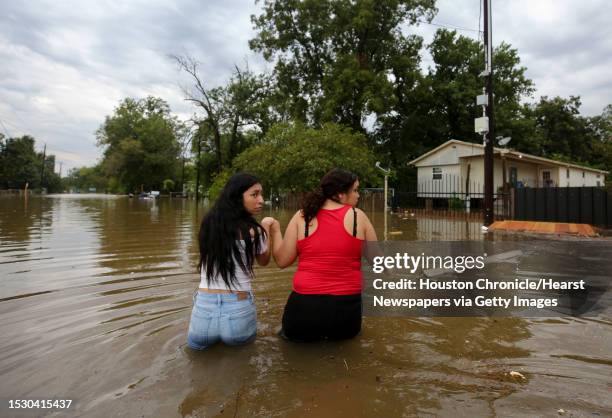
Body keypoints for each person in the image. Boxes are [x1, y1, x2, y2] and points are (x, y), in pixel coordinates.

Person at [268, 168, 378, 342]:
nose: (358, 196)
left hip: (304, 312)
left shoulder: (302, 216)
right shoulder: (359, 217)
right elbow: (380, 263)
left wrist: (274, 231)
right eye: (355, 190)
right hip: (346, 314)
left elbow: (282, 261)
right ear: (340, 194)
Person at [187, 173, 274, 349]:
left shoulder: (209, 225)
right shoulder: (253, 231)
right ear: (237, 196)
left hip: (203, 310)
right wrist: (265, 228)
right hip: (238, 309)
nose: (261, 200)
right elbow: (264, 260)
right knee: (242, 364)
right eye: (254, 194)